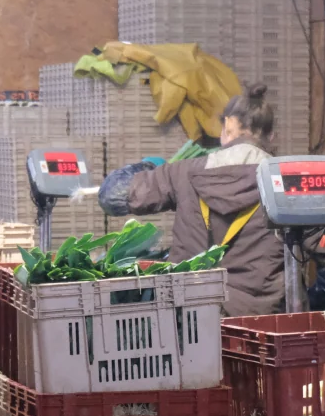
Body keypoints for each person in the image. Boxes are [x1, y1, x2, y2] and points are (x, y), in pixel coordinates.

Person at [99, 83, 285, 316]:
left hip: (191, 316)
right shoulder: (288, 182)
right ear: (270, 136)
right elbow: (320, 249)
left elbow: (112, 196)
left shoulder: (183, 172)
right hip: (265, 325)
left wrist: (149, 167)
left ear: (226, 131)